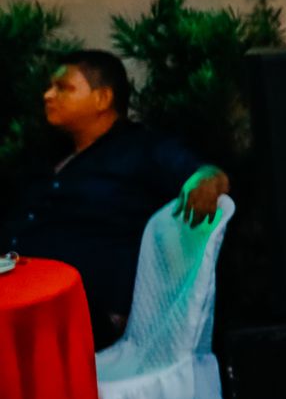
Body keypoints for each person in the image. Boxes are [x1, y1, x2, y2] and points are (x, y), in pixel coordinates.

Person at [3, 50, 227, 349]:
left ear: (102, 98)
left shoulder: (141, 148)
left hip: (82, 314)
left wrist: (206, 182)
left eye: (63, 87)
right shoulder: (51, 158)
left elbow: (208, 175)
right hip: (18, 301)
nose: (47, 95)